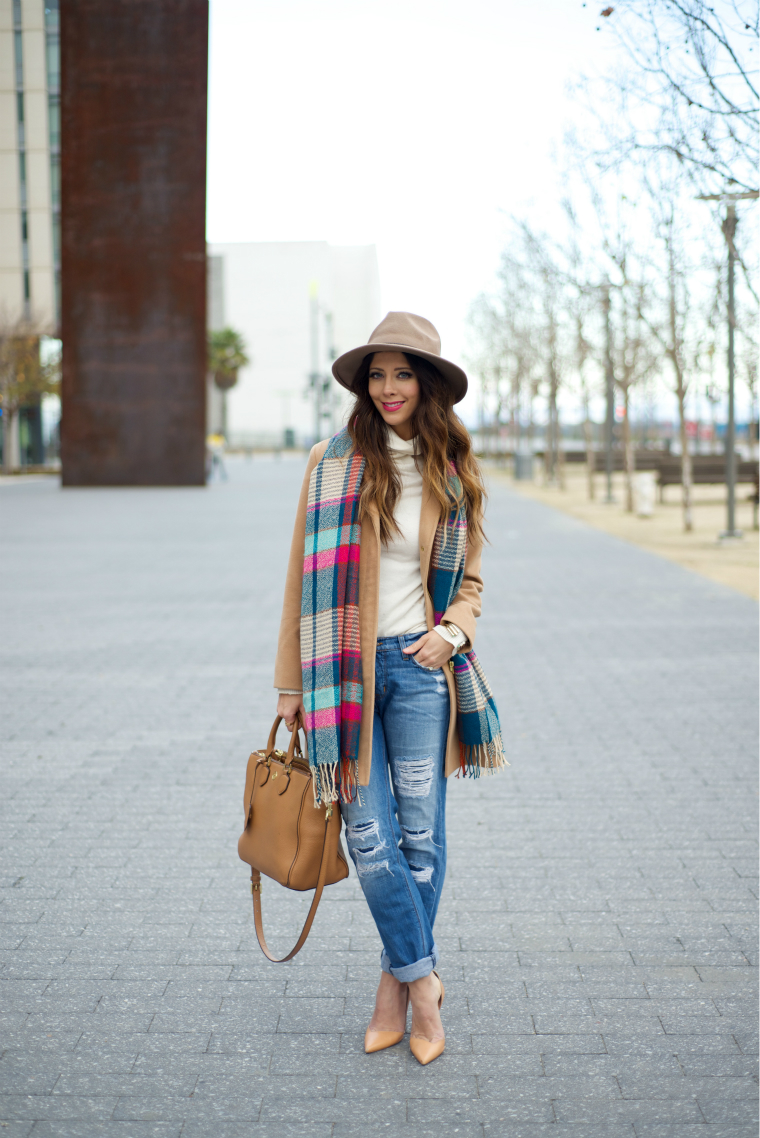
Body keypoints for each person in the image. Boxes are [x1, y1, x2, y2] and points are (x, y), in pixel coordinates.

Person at [274, 312, 505, 1065]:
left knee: (421, 841)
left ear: (428, 384)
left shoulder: (452, 471)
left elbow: (469, 584)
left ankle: (392, 986)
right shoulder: (330, 462)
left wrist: (454, 635)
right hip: (342, 676)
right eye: (377, 374)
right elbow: (297, 583)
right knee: (369, 839)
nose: (388, 387)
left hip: (420, 672)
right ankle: (423, 982)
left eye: (403, 373)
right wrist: (289, 683)